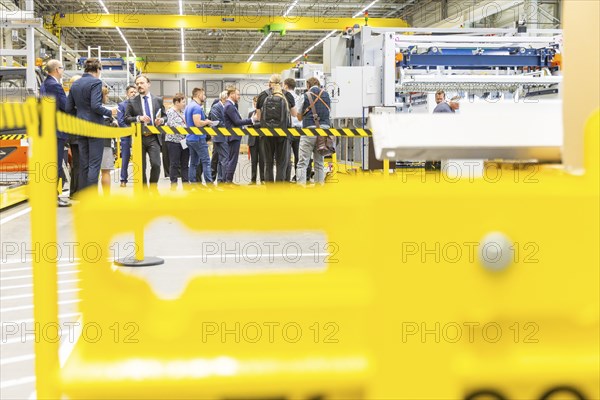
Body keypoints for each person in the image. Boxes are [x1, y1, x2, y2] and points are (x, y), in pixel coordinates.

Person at [66, 58, 113, 193]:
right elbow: (95, 106)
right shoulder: (96, 82)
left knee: (83, 164)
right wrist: (109, 112)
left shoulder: (75, 84)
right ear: (98, 70)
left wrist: (81, 114)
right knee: (94, 164)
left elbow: (68, 108)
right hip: (94, 128)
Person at [124, 75, 167, 190]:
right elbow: (126, 118)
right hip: (139, 138)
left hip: (154, 137)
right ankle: (143, 190)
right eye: (137, 84)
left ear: (148, 84)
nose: (139, 86)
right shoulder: (132, 101)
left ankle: (153, 186)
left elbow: (165, 116)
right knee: (141, 167)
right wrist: (139, 118)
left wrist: (161, 120)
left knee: (156, 164)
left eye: (142, 83)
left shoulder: (157, 100)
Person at [255, 74, 296, 183]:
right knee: (281, 163)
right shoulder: (287, 95)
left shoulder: (262, 96)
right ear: (282, 83)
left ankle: (269, 190)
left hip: (266, 134)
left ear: (270, 83)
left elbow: (258, 117)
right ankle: (279, 189)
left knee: (268, 163)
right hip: (283, 134)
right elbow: (294, 114)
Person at [40, 59, 71, 207]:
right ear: (57, 70)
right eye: (62, 68)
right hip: (56, 131)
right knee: (55, 165)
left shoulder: (44, 84)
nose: (63, 70)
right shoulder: (55, 86)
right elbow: (65, 106)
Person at [296, 77, 331, 186]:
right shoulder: (327, 95)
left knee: (303, 162)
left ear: (308, 85)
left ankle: (301, 187)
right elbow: (329, 112)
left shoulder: (305, 96)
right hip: (324, 131)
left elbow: (299, 116)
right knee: (319, 161)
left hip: (309, 131)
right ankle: (319, 186)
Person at [223, 86, 255, 183]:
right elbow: (237, 121)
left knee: (231, 159)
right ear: (231, 94)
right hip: (233, 136)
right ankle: (228, 181)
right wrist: (252, 120)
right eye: (237, 94)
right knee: (232, 159)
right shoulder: (229, 106)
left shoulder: (231, 105)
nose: (239, 96)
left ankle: (228, 180)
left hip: (234, 136)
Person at [185, 88, 213, 185]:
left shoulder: (188, 106)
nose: (204, 97)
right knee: (206, 161)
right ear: (198, 95)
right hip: (198, 138)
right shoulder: (196, 107)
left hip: (190, 138)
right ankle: (210, 184)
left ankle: (192, 183)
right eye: (203, 94)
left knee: (193, 162)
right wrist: (207, 122)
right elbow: (197, 123)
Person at [165, 93, 189, 189]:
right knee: (174, 163)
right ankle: (173, 184)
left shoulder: (183, 112)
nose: (184, 104)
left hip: (184, 141)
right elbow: (173, 124)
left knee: (185, 163)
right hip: (173, 141)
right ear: (176, 102)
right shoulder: (170, 112)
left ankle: (186, 183)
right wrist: (188, 128)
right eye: (183, 102)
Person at [283, 78, 304, 182]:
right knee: (298, 156)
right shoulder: (300, 97)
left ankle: (286, 177)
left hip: (288, 129)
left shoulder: (284, 97)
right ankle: (297, 177)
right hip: (299, 129)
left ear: (286, 86)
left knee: (286, 155)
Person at [117, 84, 137, 187]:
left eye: (134, 92)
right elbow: (120, 121)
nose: (133, 93)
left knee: (140, 156)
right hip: (126, 135)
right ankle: (123, 179)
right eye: (131, 92)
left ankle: (140, 177)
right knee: (125, 157)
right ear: (127, 94)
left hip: (138, 135)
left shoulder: (139, 105)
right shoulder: (121, 105)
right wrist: (130, 131)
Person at [100, 86, 118, 194]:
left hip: (90, 142)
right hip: (105, 143)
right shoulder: (106, 112)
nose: (107, 97)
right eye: (106, 94)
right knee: (105, 171)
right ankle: (106, 197)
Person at [66, 74, 82, 198]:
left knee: (77, 165)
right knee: (79, 165)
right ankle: (76, 192)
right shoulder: (74, 100)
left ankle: (75, 191)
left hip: (75, 137)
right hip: (77, 137)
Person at [208, 91, 228, 183]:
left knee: (220, 159)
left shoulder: (228, 106)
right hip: (219, 137)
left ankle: (220, 179)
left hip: (224, 137)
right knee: (218, 159)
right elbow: (216, 121)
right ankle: (215, 179)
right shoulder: (216, 106)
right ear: (224, 98)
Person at [247, 96, 265, 185]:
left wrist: (254, 124)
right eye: (254, 103)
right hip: (253, 140)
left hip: (262, 140)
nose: (255, 104)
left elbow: (262, 125)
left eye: (256, 102)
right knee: (254, 161)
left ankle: (263, 179)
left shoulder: (264, 114)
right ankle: (253, 180)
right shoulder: (251, 114)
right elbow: (248, 124)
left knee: (262, 161)